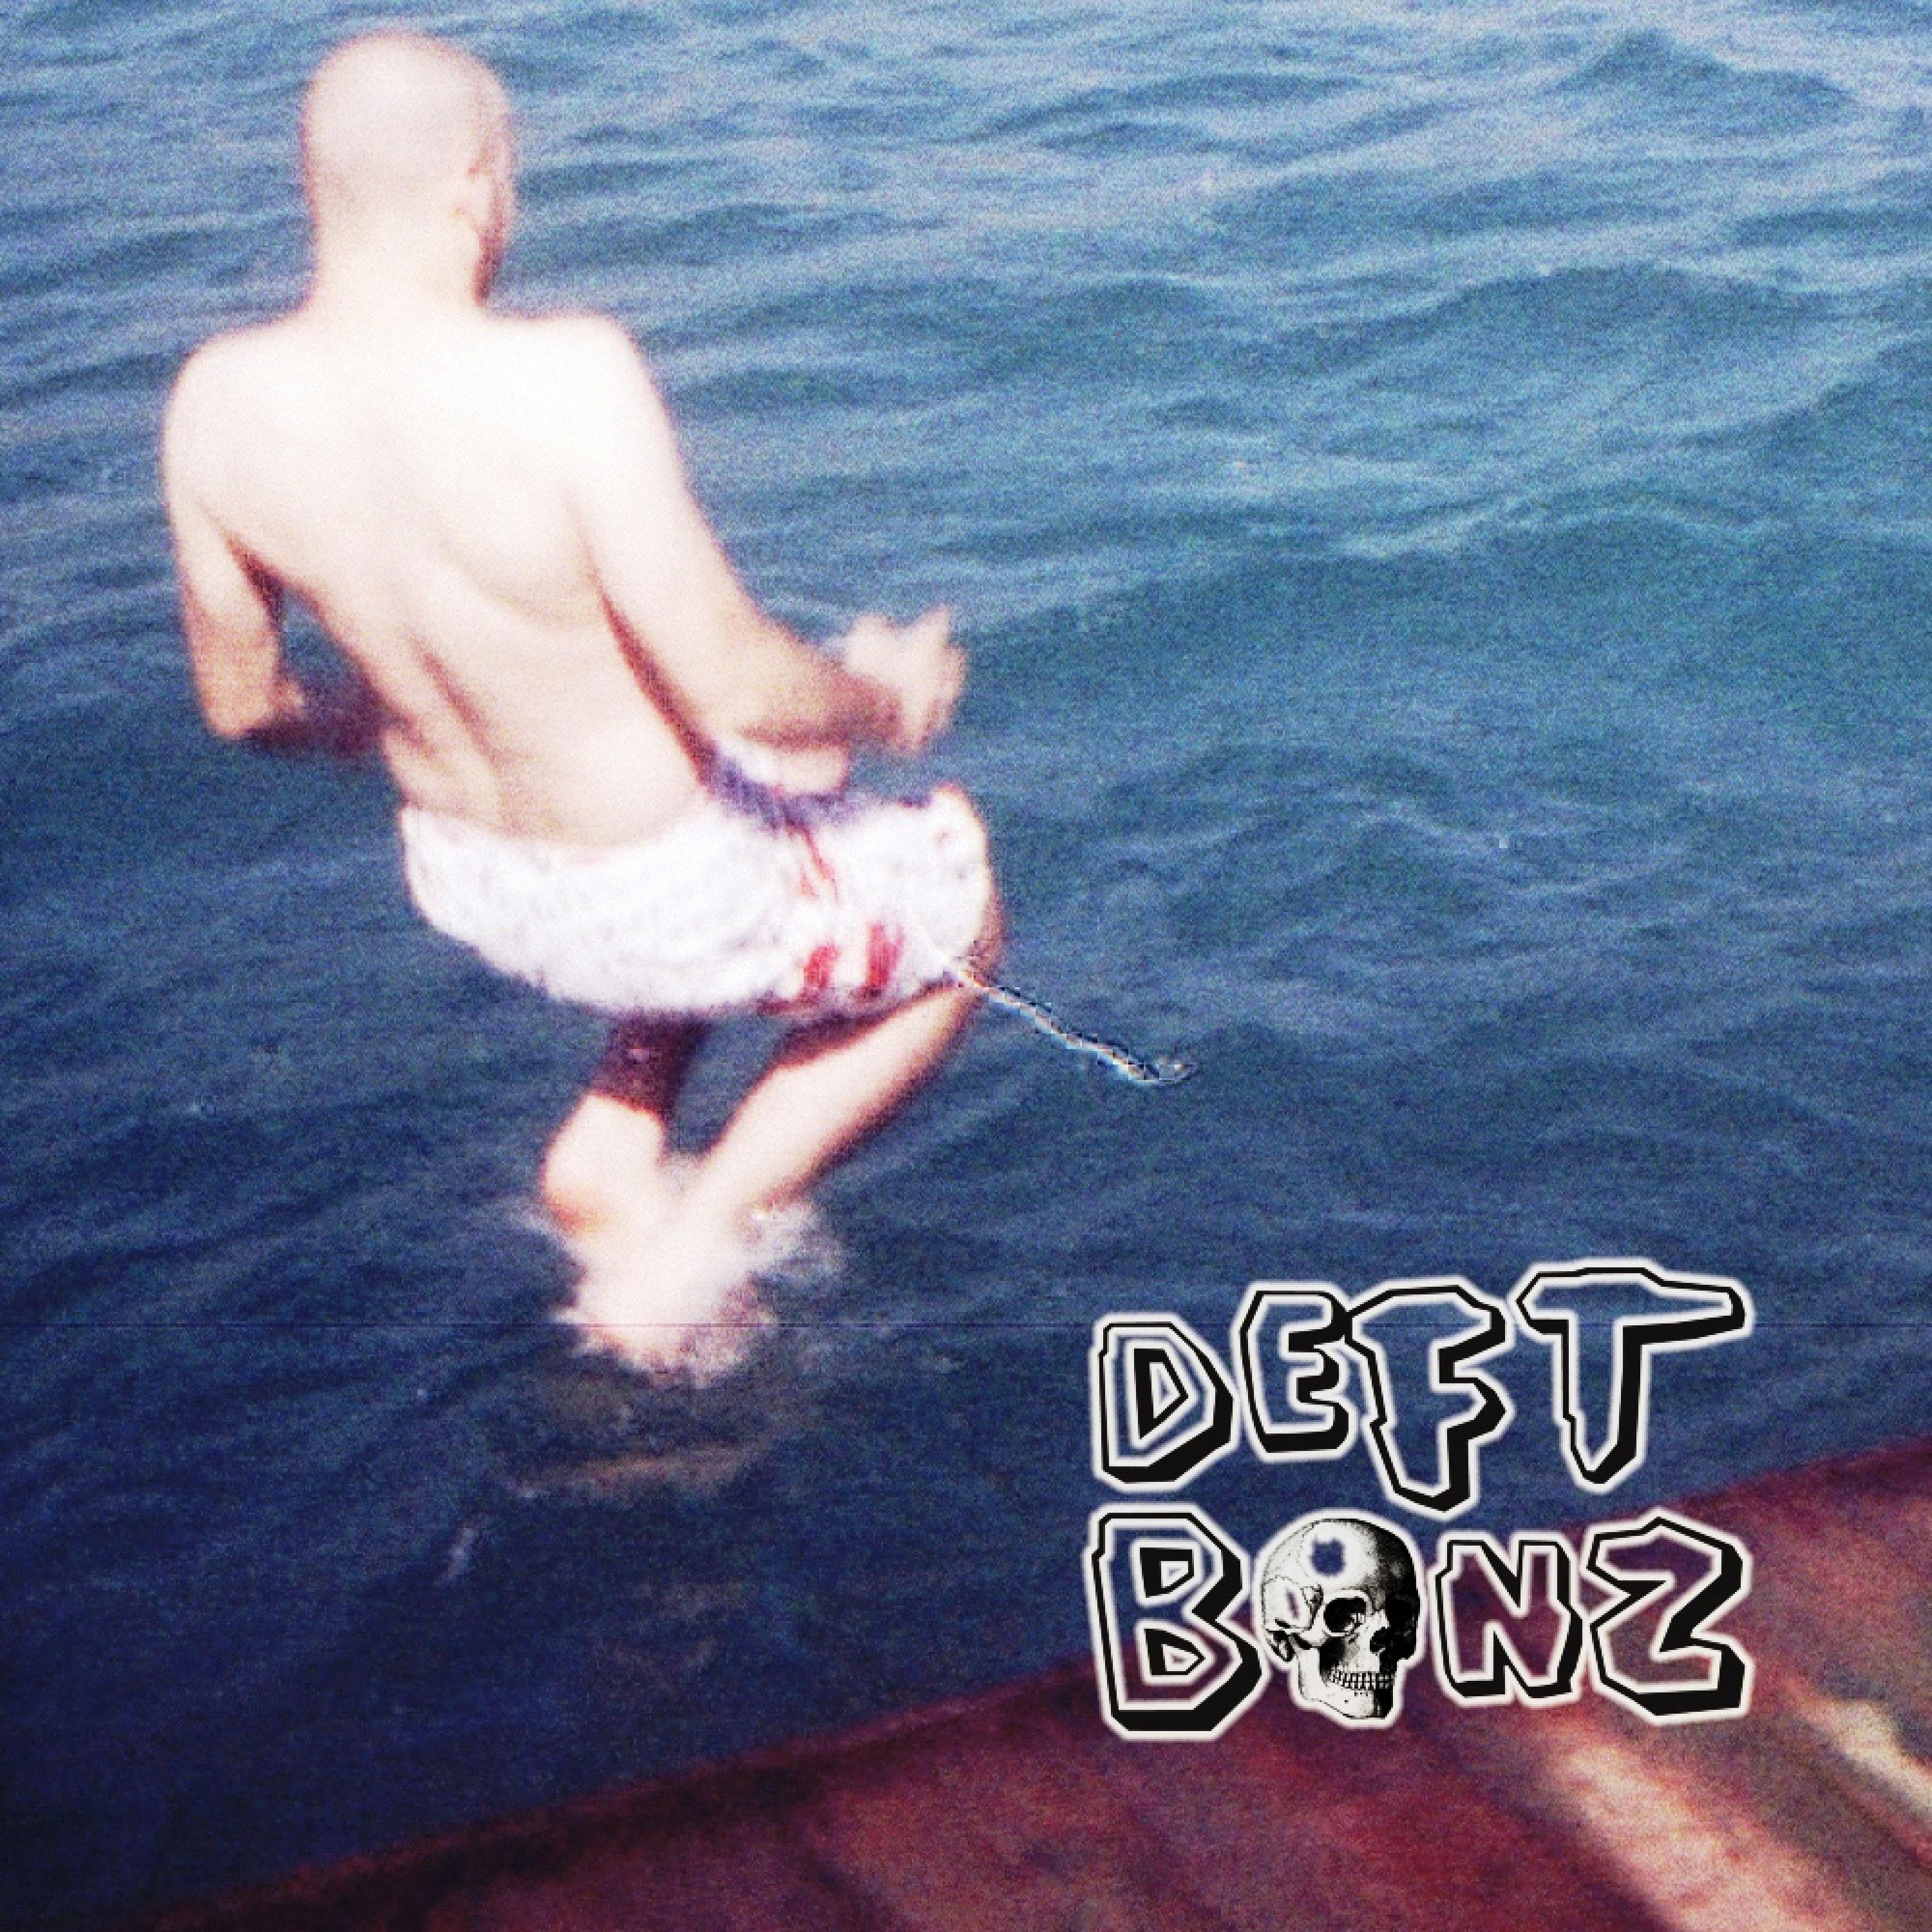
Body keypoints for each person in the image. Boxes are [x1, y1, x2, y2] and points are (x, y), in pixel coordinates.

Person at [160, 31, 1000, 1376]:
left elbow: (243, 704)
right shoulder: (566, 376)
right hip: (661, 897)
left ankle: (614, 1142)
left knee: (786, 770)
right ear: (474, 184)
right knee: (960, 920)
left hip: (473, 880)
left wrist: (400, 717)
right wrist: (885, 701)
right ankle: (695, 1244)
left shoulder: (214, 404)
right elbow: (730, 671)